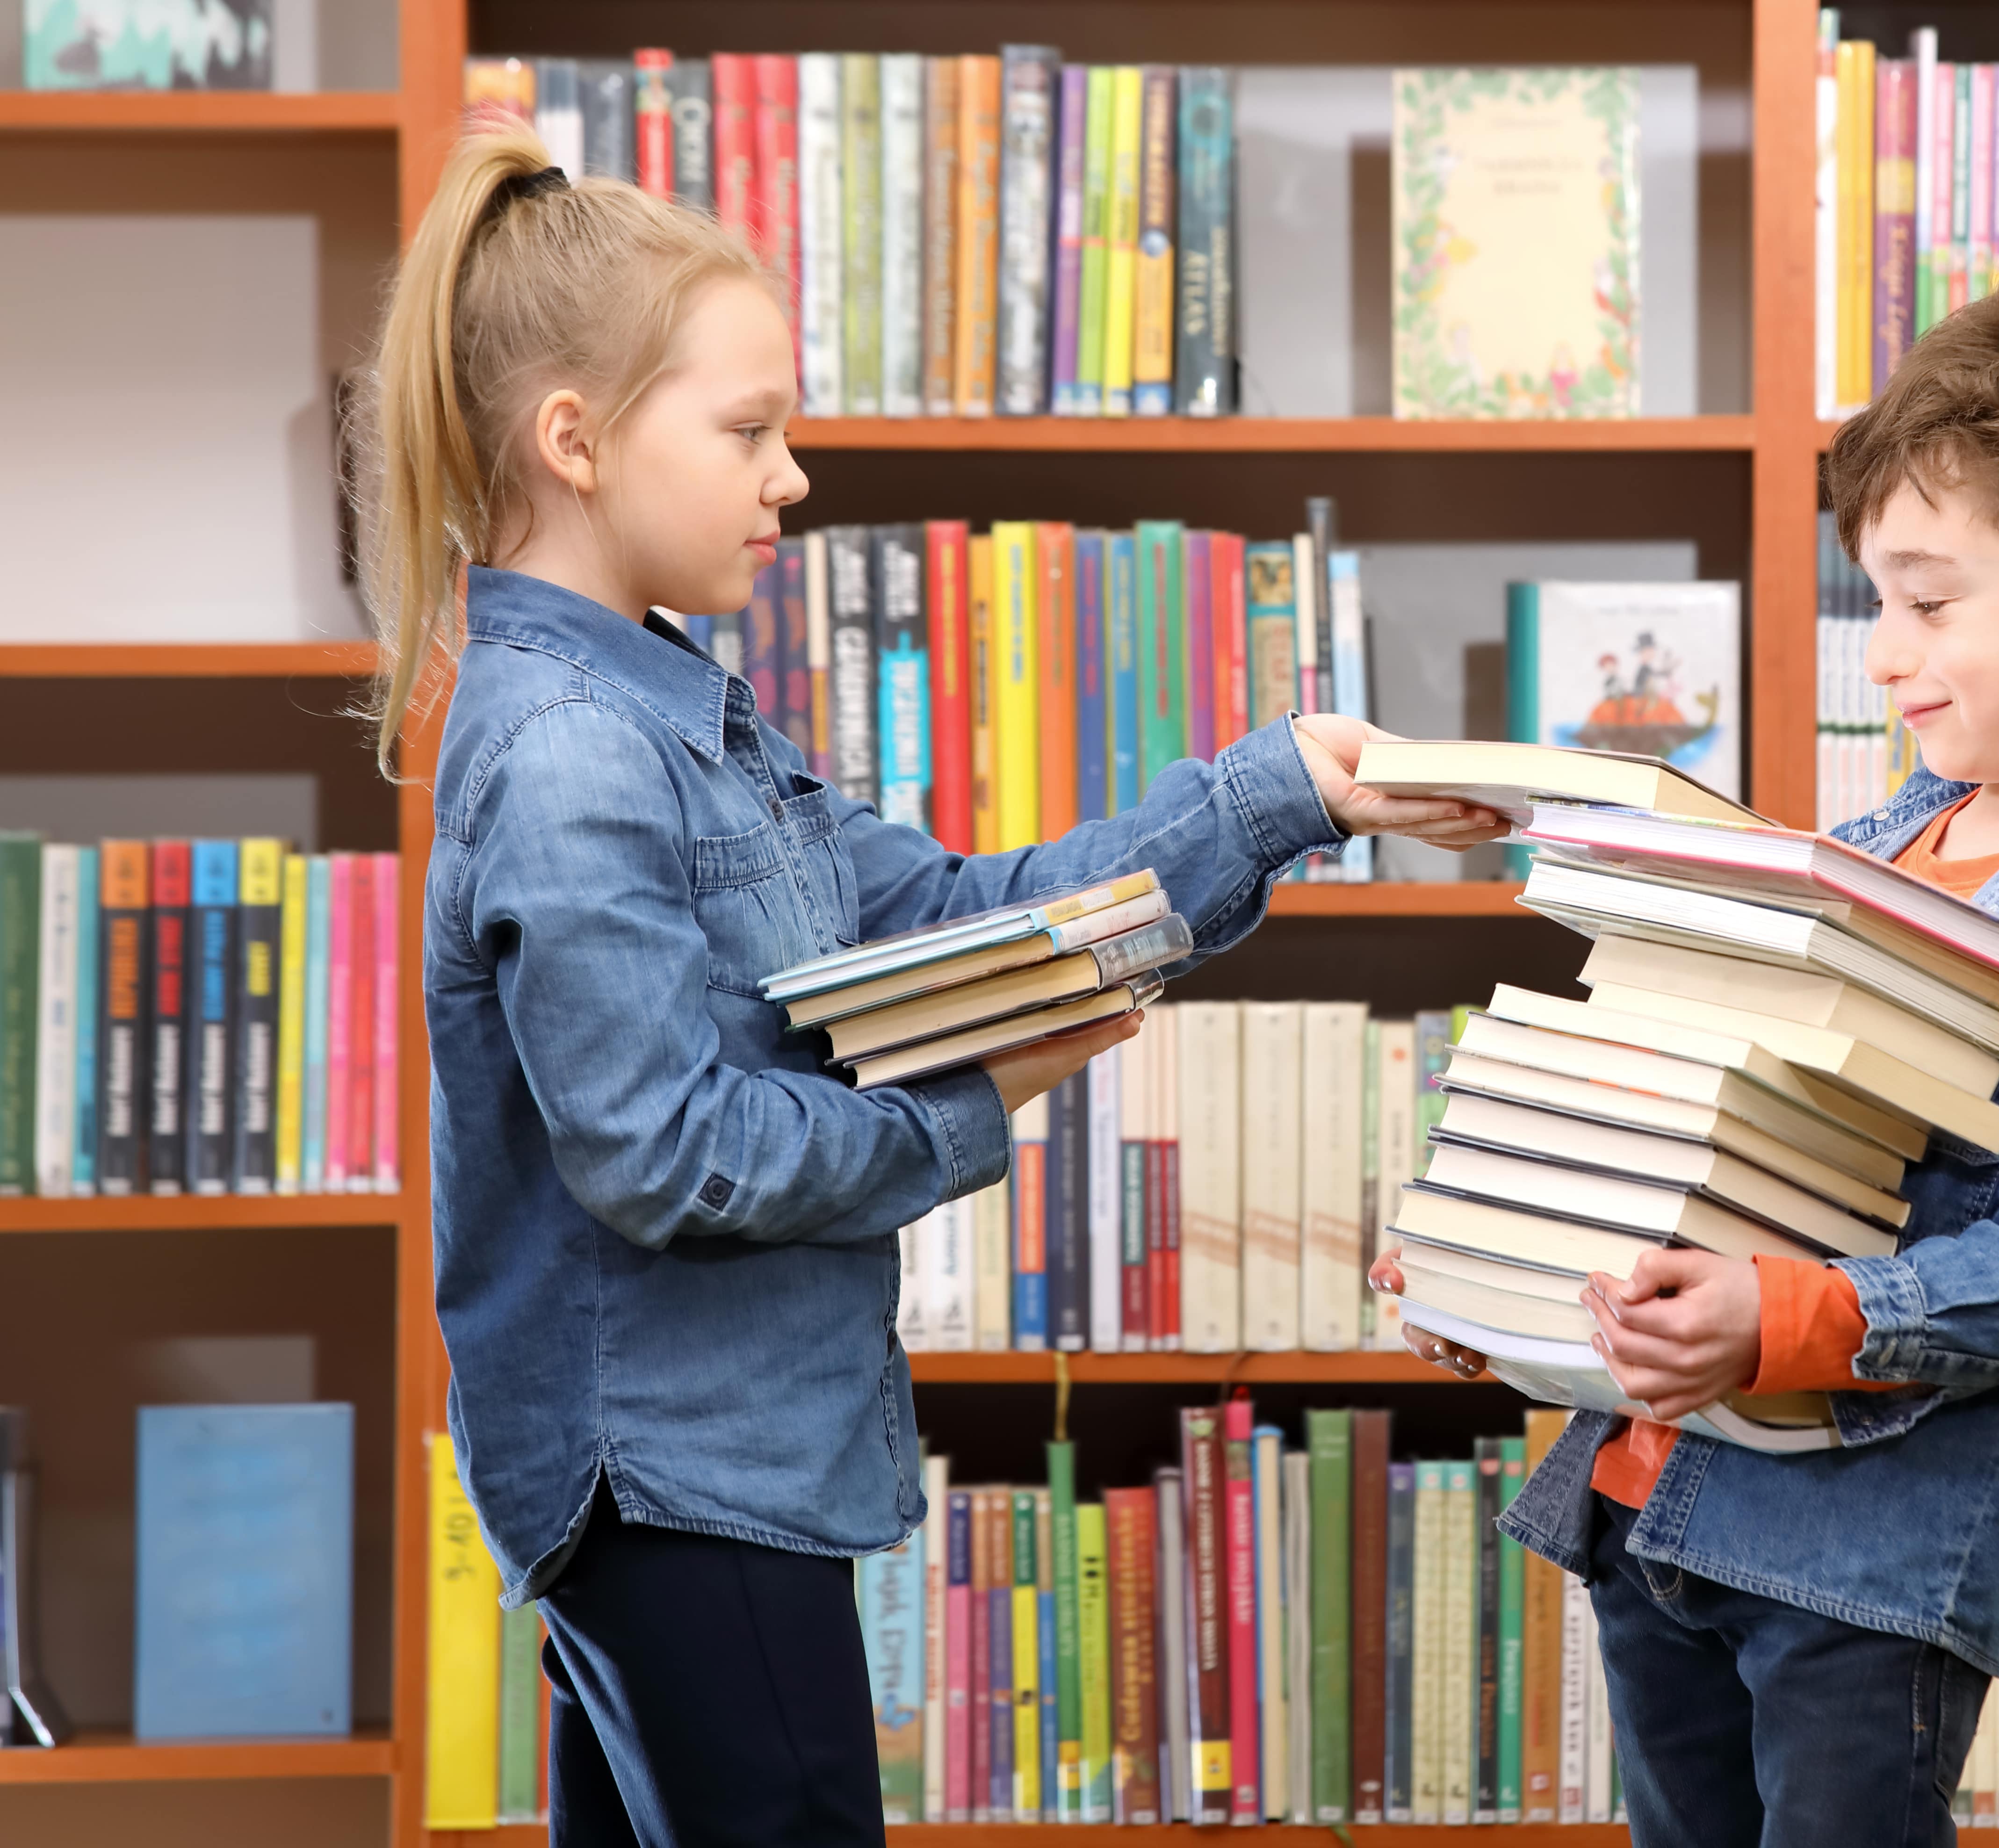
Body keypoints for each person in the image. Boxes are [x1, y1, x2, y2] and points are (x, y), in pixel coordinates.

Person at [358, 129, 1499, 1848]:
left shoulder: (678, 711)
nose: (790, 476)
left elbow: (961, 917)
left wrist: (1289, 792)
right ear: (575, 443)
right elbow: (673, 1159)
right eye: (746, 431)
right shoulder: (577, 754)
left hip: (707, 1476)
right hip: (677, 1483)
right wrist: (984, 1099)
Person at [1376, 282, 1999, 1848]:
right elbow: (1702, 1131)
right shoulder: (1856, 853)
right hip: (1661, 1505)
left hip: (1864, 1565)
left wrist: (1783, 1315)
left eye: (1931, 605)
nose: (1887, 660)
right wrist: (1514, 1264)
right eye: (1877, 608)